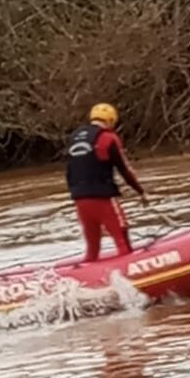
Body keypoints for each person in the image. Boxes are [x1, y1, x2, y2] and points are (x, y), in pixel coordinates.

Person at [66, 103, 149, 262]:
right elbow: (124, 169)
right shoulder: (108, 138)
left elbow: (70, 171)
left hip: (80, 200)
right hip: (104, 199)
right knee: (122, 240)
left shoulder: (74, 138)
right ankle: (129, 275)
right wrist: (141, 192)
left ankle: (90, 278)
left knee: (92, 248)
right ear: (111, 121)